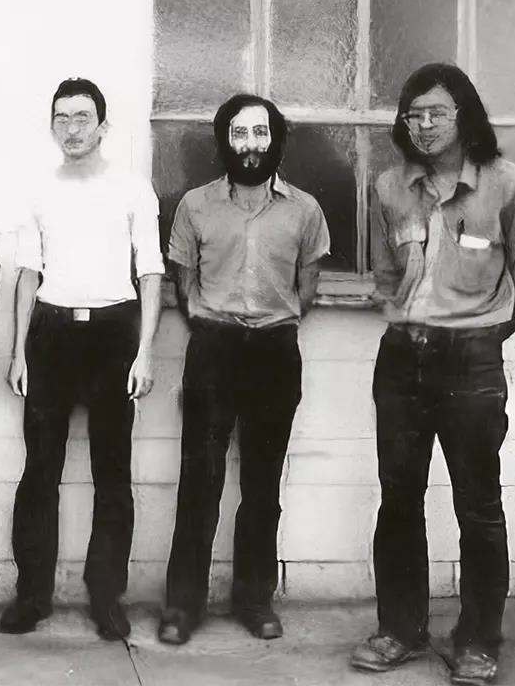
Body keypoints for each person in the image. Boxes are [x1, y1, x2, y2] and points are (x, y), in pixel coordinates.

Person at [349, 64, 515, 686]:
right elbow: (386, 276)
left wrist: (484, 330)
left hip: (472, 362)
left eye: (437, 113)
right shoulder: (389, 186)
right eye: (413, 115)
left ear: (465, 115)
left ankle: (477, 641)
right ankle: (400, 629)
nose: (424, 125)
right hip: (402, 359)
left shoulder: (509, 186)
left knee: (479, 506)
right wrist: (412, 317)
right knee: (399, 499)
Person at [158, 94, 329, 645]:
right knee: (200, 482)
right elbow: (184, 285)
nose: (250, 144)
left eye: (260, 133)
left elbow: (307, 287)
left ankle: (254, 600)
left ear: (276, 140)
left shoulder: (305, 209)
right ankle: (183, 606)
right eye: (239, 133)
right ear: (223, 140)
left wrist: (272, 322)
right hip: (213, 351)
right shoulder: (195, 205)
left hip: (276, 353)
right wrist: (218, 323)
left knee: (262, 486)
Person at [0, 78, 162, 641]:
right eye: (62, 117)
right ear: (51, 126)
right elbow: (26, 274)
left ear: (103, 126)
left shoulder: (133, 190)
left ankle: (106, 596)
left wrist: (144, 352)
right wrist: (18, 351)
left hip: (115, 331)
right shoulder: (38, 189)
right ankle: (32, 594)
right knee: (39, 471)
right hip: (51, 331)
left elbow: (151, 274)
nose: (72, 128)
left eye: (83, 117)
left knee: (111, 473)